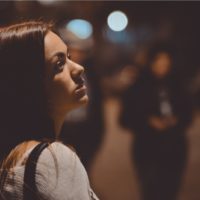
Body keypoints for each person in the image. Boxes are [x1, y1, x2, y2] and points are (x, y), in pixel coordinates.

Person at [0, 21, 99, 200]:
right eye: (59, 64)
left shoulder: (12, 156)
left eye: (69, 56)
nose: (78, 68)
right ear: (30, 85)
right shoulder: (54, 161)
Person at [120, 44, 193, 200]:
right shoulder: (138, 86)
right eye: (158, 62)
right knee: (150, 190)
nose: (162, 67)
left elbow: (188, 114)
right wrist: (148, 121)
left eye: (166, 63)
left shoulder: (178, 85)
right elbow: (125, 118)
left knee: (170, 189)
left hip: (174, 145)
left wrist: (176, 120)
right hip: (147, 146)